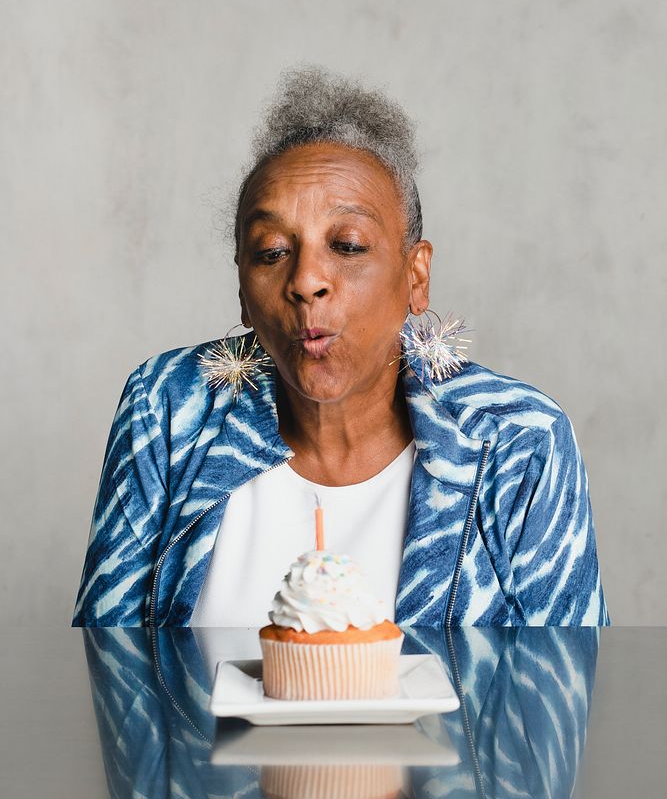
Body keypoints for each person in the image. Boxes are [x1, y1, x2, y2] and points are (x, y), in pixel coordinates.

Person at [73, 66, 609, 628]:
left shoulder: (518, 441)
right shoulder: (167, 410)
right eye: (272, 251)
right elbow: (110, 677)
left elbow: (559, 694)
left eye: (348, 245)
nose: (306, 280)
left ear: (416, 275)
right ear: (241, 288)